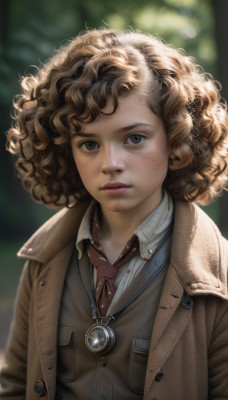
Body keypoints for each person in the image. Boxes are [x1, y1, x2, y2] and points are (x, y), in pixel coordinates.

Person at [0, 28, 228, 400]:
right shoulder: (43, 262)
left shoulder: (219, 278)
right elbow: (13, 387)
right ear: (66, 151)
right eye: (89, 143)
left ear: (175, 138)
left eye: (134, 138)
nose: (110, 164)